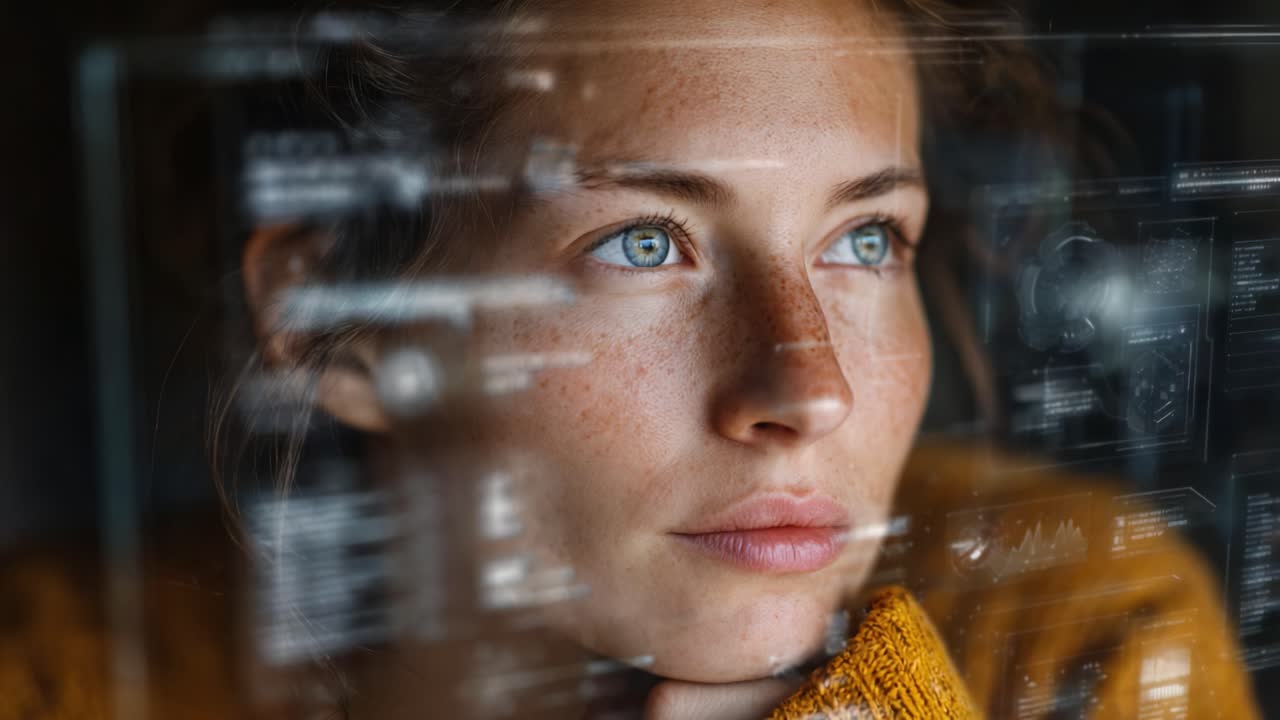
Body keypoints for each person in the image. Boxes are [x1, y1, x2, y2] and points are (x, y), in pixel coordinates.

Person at [0, 0, 1262, 718]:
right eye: (646, 242)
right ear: (344, 316)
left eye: (863, 237)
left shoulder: (1077, 638)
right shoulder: (59, 677)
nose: (806, 386)